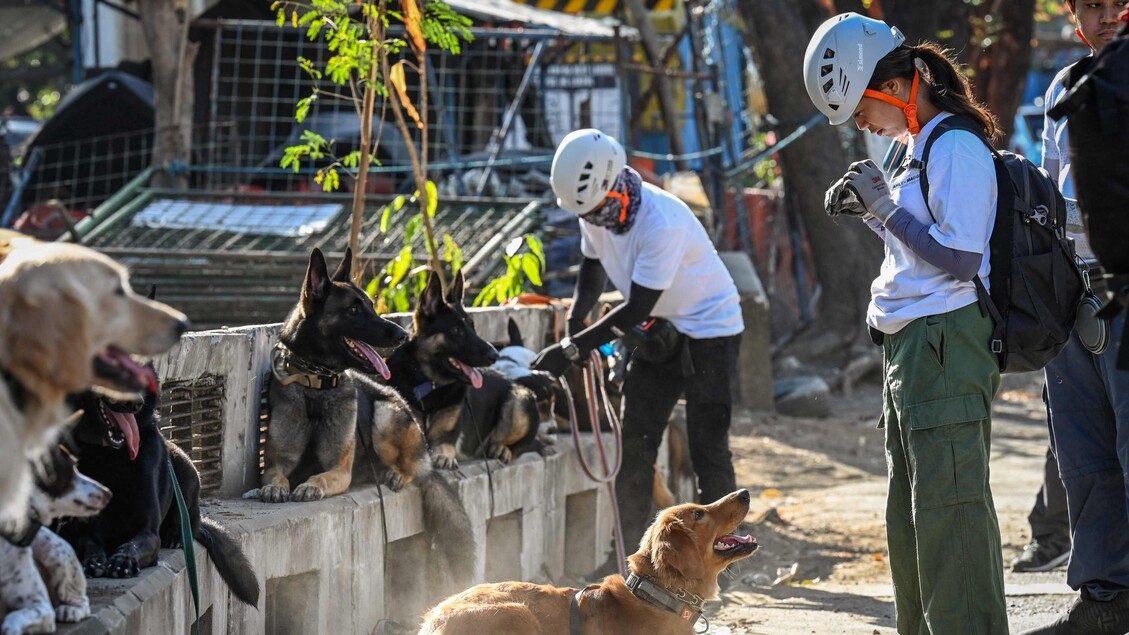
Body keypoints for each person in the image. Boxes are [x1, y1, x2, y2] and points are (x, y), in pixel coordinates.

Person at [806, 13, 1008, 634]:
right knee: (910, 517)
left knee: (951, 516)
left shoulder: (956, 145)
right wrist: (871, 210)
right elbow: (914, 247)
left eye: (862, 109)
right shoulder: (910, 149)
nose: (861, 125)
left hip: (946, 340)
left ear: (894, 86)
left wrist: (885, 207)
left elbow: (959, 257)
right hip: (909, 344)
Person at [530, 128, 744, 572]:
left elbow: (635, 307)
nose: (589, 218)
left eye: (592, 209)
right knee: (636, 449)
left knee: (708, 448)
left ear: (611, 186)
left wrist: (571, 348)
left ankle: (718, 561)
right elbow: (591, 268)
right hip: (660, 328)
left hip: (711, 330)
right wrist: (575, 319)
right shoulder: (596, 211)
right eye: (582, 212)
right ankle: (624, 562)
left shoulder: (659, 221)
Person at [1021, 1, 1129, 633]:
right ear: (1072, 13)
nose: (1108, 14)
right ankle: (1106, 597)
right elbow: (1051, 191)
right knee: (1084, 455)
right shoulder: (1065, 86)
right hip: (1076, 293)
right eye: (1091, 4)